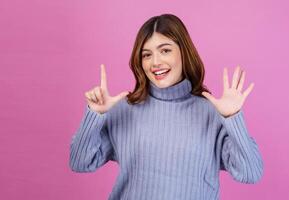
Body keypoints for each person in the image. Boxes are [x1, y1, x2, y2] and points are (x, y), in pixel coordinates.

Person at [69, 13, 263, 200]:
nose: (155, 62)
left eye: (165, 50)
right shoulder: (124, 109)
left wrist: (233, 117)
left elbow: (251, 173)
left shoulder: (212, 114)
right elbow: (80, 162)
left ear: (184, 53)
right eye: (146, 55)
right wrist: (94, 114)